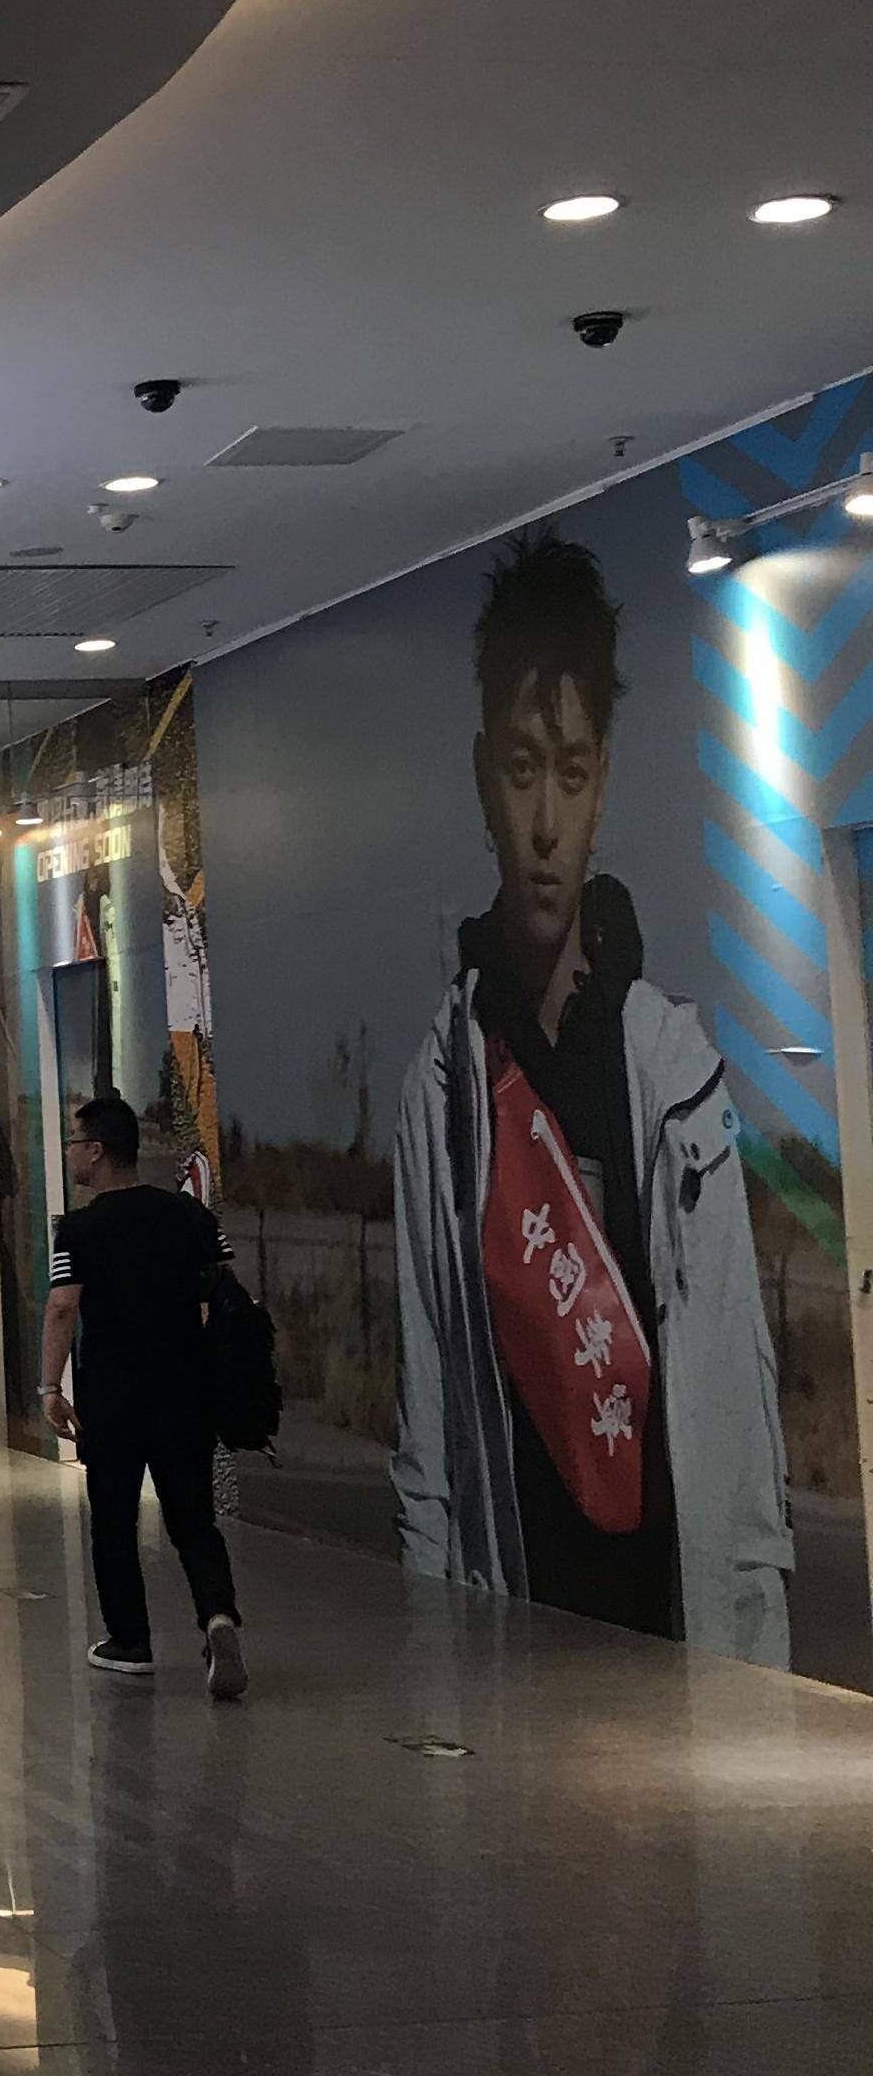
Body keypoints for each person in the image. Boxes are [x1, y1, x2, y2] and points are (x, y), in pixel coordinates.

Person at [392, 529, 790, 1661]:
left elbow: (737, 1396)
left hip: (669, 1615)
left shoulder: (678, 1073)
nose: (546, 825)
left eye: (571, 774)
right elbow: (429, 1416)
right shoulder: (444, 1088)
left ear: (603, 783)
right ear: (485, 777)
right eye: (523, 771)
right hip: (516, 1619)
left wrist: (756, 1648)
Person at [43, 1093, 248, 1698]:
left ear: (96, 1151)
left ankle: (130, 1642)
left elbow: (63, 1306)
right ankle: (218, 1616)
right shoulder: (190, 1216)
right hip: (186, 1391)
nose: (70, 1154)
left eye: (74, 1144)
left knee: (113, 1519)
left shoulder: (78, 1228)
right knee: (193, 1520)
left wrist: (50, 1386)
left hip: (113, 1398)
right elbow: (224, 1289)